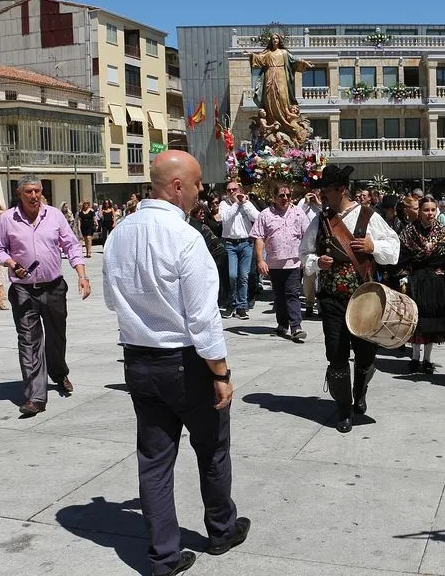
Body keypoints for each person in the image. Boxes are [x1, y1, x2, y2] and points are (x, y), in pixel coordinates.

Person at [103, 151, 250, 576]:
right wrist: (221, 373)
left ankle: (164, 556)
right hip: (184, 361)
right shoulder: (185, 237)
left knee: (154, 459)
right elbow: (203, 318)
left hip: (139, 358)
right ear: (178, 186)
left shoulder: (119, 233)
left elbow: (112, 299)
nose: (202, 190)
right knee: (212, 448)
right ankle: (221, 530)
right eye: (198, 182)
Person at [300, 164, 400, 433]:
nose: (322, 195)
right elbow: (304, 254)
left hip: (365, 299)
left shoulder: (368, 215)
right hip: (331, 298)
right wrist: (317, 262)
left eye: (327, 190)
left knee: (366, 355)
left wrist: (373, 246)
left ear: (342, 190)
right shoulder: (320, 220)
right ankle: (344, 409)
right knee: (336, 354)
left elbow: (394, 249)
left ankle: (360, 391)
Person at [0, 174, 90, 416]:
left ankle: (59, 372)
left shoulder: (54, 215)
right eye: (29, 191)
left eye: (37, 190)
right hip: (24, 290)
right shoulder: (7, 219)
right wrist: (11, 263)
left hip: (54, 287)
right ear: (20, 194)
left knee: (56, 338)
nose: (34, 195)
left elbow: (71, 245)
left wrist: (82, 275)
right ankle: (35, 397)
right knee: (29, 341)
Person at [398, 196, 445, 373]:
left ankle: (427, 359)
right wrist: (404, 275)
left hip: (435, 281)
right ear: (420, 211)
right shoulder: (409, 231)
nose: (430, 213)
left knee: (432, 322)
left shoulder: (442, 231)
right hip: (415, 280)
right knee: (416, 320)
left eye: (433, 210)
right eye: (426, 210)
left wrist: (444, 269)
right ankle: (415, 358)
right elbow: (401, 256)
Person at [252, 183, 310, 342]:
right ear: (274, 197)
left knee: (292, 294)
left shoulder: (298, 213)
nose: (285, 198)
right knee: (280, 296)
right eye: (281, 195)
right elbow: (259, 238)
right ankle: (282, 324)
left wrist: (306, 257)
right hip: (274, 264)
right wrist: (260, 260)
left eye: (288, 195)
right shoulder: (265, 215)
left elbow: (307, 236)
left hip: (294, 262)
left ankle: (296, 327)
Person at [245, 33, 313, 145]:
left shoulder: (284, 53)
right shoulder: (268, 53)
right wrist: (251, 55)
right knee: (270, 98)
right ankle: (272, 121)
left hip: (281, 76)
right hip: (270, 76)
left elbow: (294, 60)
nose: (275, 40)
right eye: (273, 38)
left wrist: (304, 62)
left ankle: (285, 121)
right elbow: (259, 59)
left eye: (276, 38)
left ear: (279, 40)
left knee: (282, 97)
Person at [220, 180, 260, 320]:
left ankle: (241, 305)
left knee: (243, 276)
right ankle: (231, 303)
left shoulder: (247, 204)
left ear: (240, 190)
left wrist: (245, 204)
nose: (232, 192)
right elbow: (224, 218)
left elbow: (257, 217)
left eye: (234, 189)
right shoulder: (224, 204)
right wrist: (236, 204)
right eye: (229, 190)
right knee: (232, 275)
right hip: (230, 244)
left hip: (245, 243)